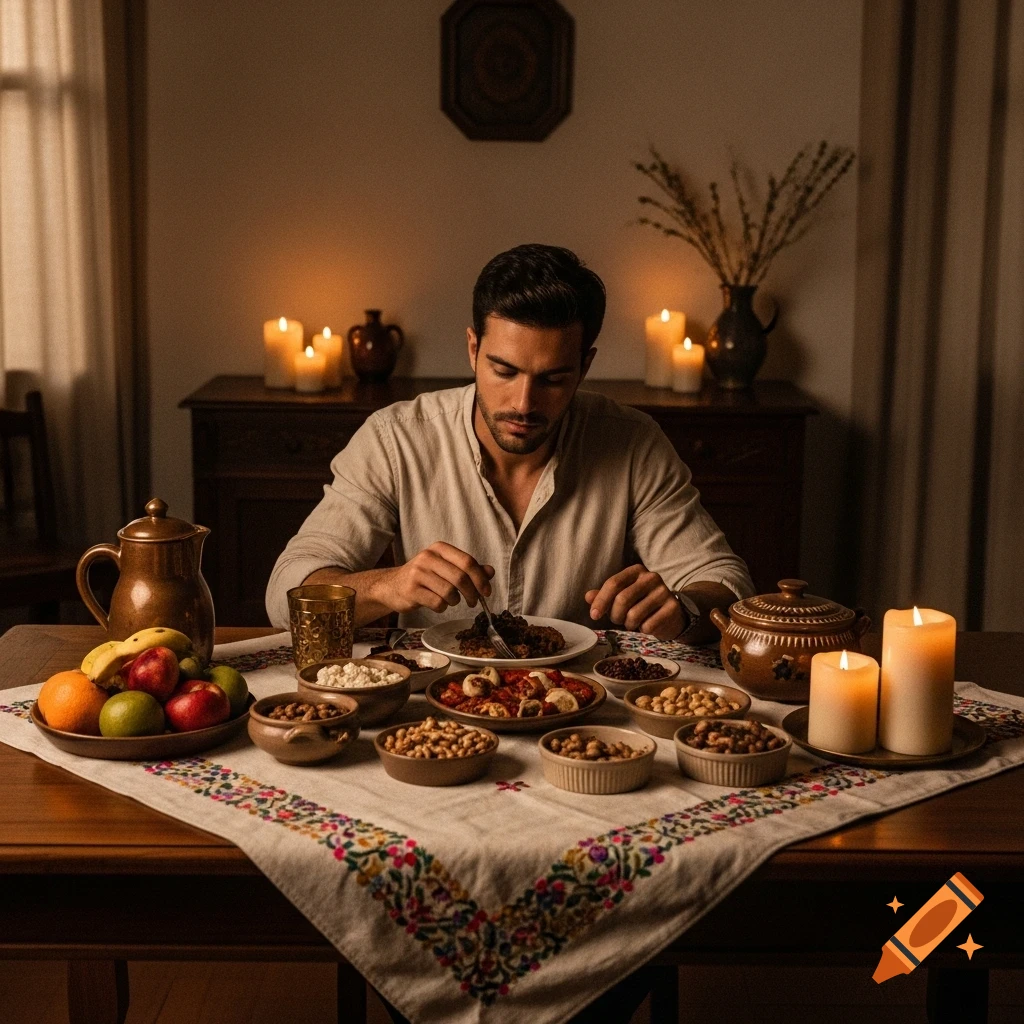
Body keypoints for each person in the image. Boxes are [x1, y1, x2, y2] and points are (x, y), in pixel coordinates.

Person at [266, 243, 753, 639]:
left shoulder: (632, 442)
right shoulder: (396, 439)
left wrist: (683, 608)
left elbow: (726, 582)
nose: (524, 402)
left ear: (585, 366)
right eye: (504, 370)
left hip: (578, 713)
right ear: (474, 348)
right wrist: (387, 587)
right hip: (436, 706)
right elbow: (285, 596)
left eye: (554, 378)